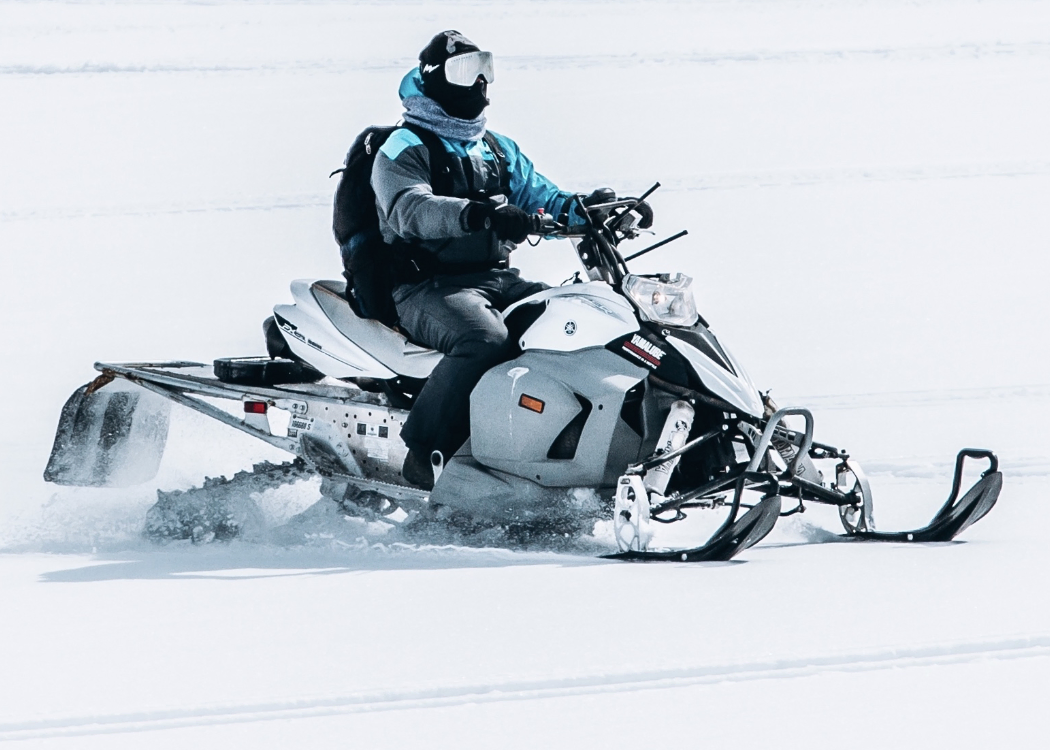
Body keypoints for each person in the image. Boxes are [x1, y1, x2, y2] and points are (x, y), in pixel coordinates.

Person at [372, 30, 646, 489]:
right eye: (465, 71)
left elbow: (545, 198)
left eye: (485, 68)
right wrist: (477, 214)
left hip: (497, 278)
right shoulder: (403, 147)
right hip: (427, 287)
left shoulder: (495, 148)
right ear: (435, 79)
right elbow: (410, 209)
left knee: (575, 319)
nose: (479, 82)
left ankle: (544, 452)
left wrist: (592, 210)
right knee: (485, 338)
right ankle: (423, 453)